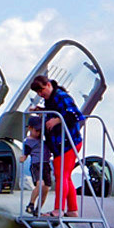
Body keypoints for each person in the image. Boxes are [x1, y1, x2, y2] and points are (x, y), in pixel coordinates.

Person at [31, 75, 82, 216]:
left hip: (69, 143)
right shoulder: (51, 100)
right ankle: (72, 210)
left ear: (48, 85)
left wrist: (58, 120)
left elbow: (75, 115)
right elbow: (56, 112)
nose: (41, 94)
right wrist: (42, 111)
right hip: (60, 144)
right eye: (38, 93)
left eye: (41, 90)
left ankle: (58, 209)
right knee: (66, 176)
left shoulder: (61, 96)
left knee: (60, 175)